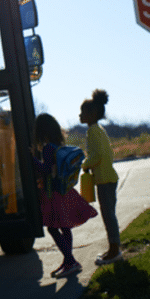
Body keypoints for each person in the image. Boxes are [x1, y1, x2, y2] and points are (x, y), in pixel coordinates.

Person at [32, 113, 98, 278]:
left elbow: (46, 169)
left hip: (53, 193)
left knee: (53, 228)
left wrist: (31, 159)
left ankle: (71, 260)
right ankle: (68, 262)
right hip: (65, 191)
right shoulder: (58, 146)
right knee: (65, 227)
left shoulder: (47, 148)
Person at [80, 89, 122, 265]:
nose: (80, 115)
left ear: (93, 114)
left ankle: (114, 251)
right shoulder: (100, 129)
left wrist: (85, 164)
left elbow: (97, 155)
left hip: (104, 180)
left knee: (108, 216)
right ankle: (113, 248)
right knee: (109, 214)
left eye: (83, 112)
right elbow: (106, 154)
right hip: (108, 178)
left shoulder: (92, 131)